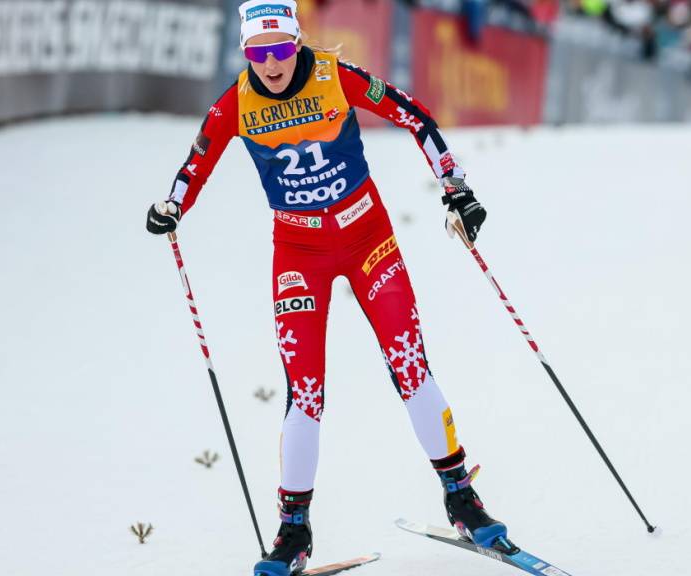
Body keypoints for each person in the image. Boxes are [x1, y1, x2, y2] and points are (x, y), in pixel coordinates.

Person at [145, 1, 507, 574]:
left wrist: (455, 186)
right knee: (305, 389)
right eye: (257, 52)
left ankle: (461, 497)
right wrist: (171, 206)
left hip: (368, 237)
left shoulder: (335, 77)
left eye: (281, 49)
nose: (271, 63)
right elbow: (195, 165)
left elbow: (415, 116)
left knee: (410, 364)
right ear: (246, 54)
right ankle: (293, 530)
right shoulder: (234, 104)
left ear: (297, 42)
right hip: (298, 251)